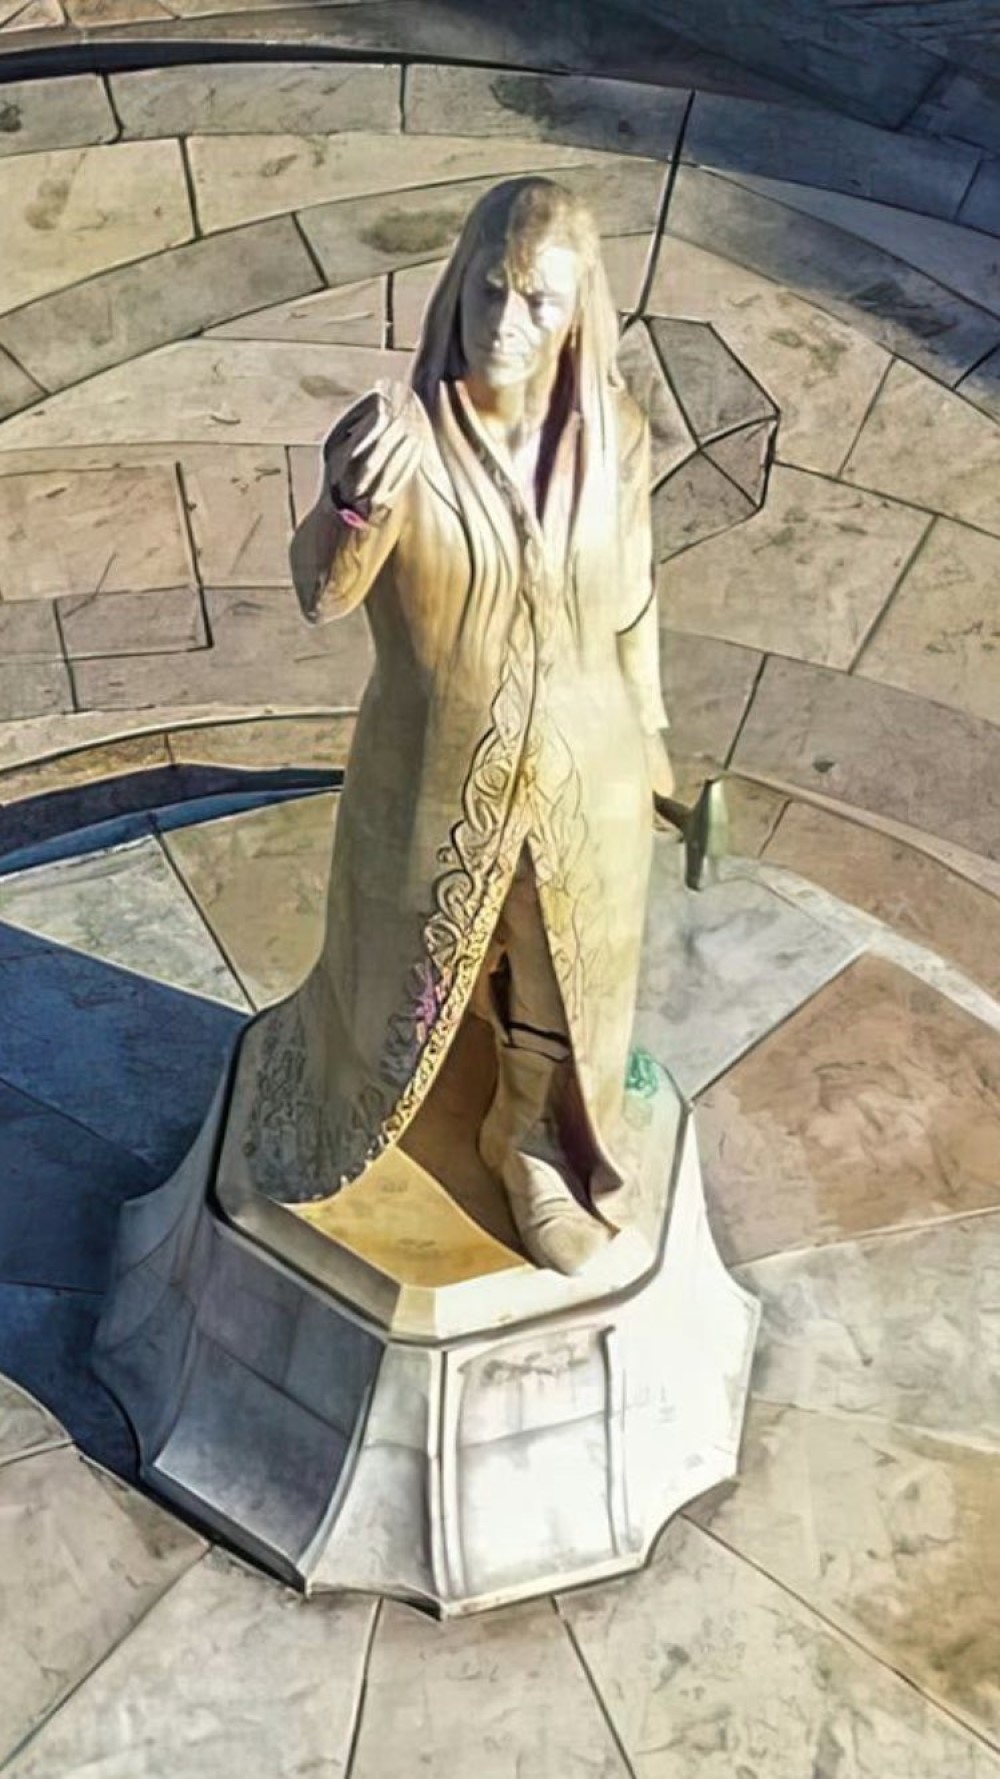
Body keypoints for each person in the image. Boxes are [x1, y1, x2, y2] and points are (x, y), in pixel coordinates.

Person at [232, 175, 674, 1274]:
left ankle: (529, 1142)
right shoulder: (403, 439)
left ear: (578, 316)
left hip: (589, 764)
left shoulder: (617, 438)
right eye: (490, 290)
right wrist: (347, 501)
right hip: (431, 766)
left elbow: (633, 603)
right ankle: (358, 1100)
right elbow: (324, 594)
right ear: (458, 286)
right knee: (399, 970)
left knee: (560, 968)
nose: (507, 323)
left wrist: (655, 736)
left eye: (539, 302)